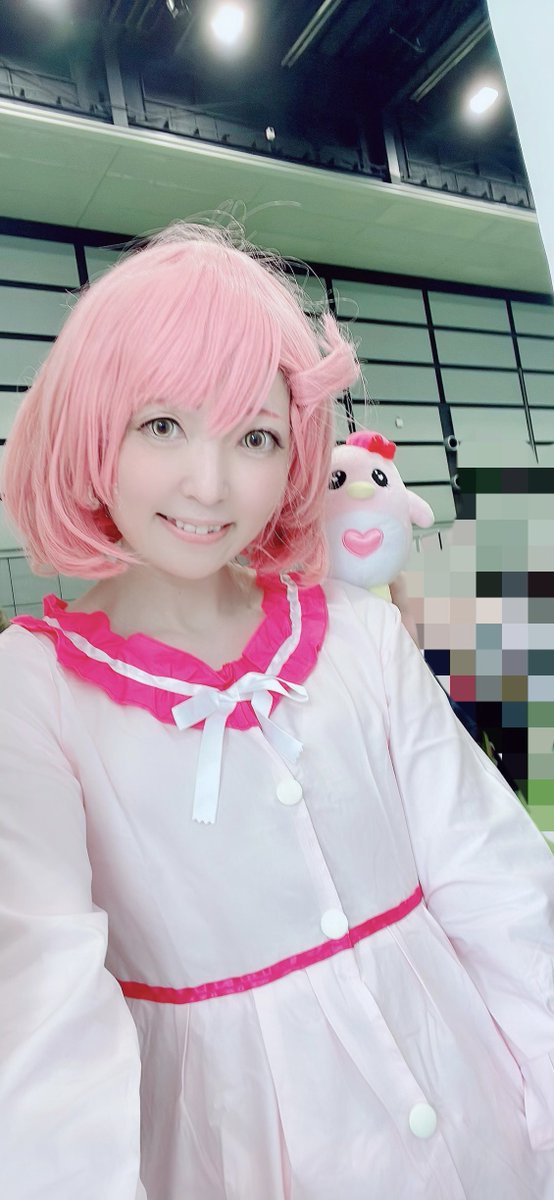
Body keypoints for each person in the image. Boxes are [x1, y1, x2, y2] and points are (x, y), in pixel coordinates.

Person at [1, 223, 554, 1200]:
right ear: (91, 428)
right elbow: (40, 1026)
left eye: (254, 437)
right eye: (161, 426)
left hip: (483, 1134)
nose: (210, 485)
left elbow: (502, 893)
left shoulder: (356, 632)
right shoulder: (31, 691)